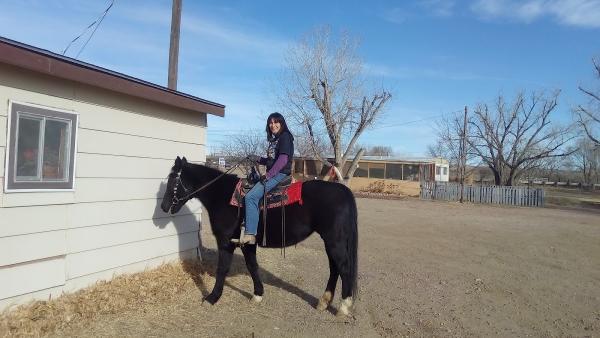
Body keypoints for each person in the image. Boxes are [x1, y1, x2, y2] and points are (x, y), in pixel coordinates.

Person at [232, 112, 294, 245]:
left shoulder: (285, 137)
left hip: (280, 174)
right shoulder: (275, 140)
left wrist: (269, 174)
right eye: (270, 123)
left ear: (281, 123)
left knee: (251, 197)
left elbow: (283, 159)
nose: (273, 125)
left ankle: (250, 234)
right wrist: (257, 158)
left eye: (276, 122)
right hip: (275, 172)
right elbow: (271, 160)